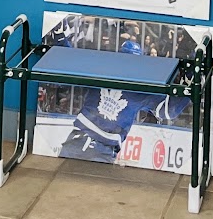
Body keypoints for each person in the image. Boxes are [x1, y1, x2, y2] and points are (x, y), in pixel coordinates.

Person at [57, 35, 186, 163]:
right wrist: (187, 86)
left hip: (83, 143)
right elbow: (169, 111)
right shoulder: (139, 87)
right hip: (94, 147)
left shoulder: (101, 70)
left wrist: (61, 40)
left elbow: (71, 63)